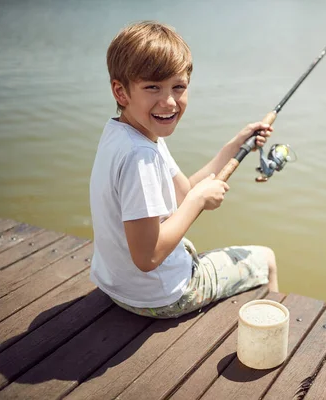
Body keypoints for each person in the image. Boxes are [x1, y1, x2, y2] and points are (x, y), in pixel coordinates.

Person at [89, 21, 278, 319]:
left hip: (118, 287)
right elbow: (148, 257)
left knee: (188, 244)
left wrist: (235, 145)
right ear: (121, 92)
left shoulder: (133, 133)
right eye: (152, 87)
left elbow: (182, 193)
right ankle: (268, 331)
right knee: (266, 259)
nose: (168, 102)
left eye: (178, 87)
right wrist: (199, 201)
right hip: (159, 296)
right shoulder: (140, 155)